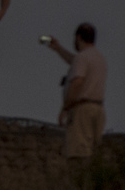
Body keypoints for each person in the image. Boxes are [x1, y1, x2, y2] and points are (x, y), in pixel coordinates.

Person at [46, 23, 107, 167]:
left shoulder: (82, 58)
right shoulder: (99, 58)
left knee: (78, 155)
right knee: (93, 154)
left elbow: (77, 82)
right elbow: (75, 62)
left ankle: (80, 185)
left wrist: (65, 108)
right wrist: (58, 49)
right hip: (98, 109)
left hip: (82, 110)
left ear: (78, 37)